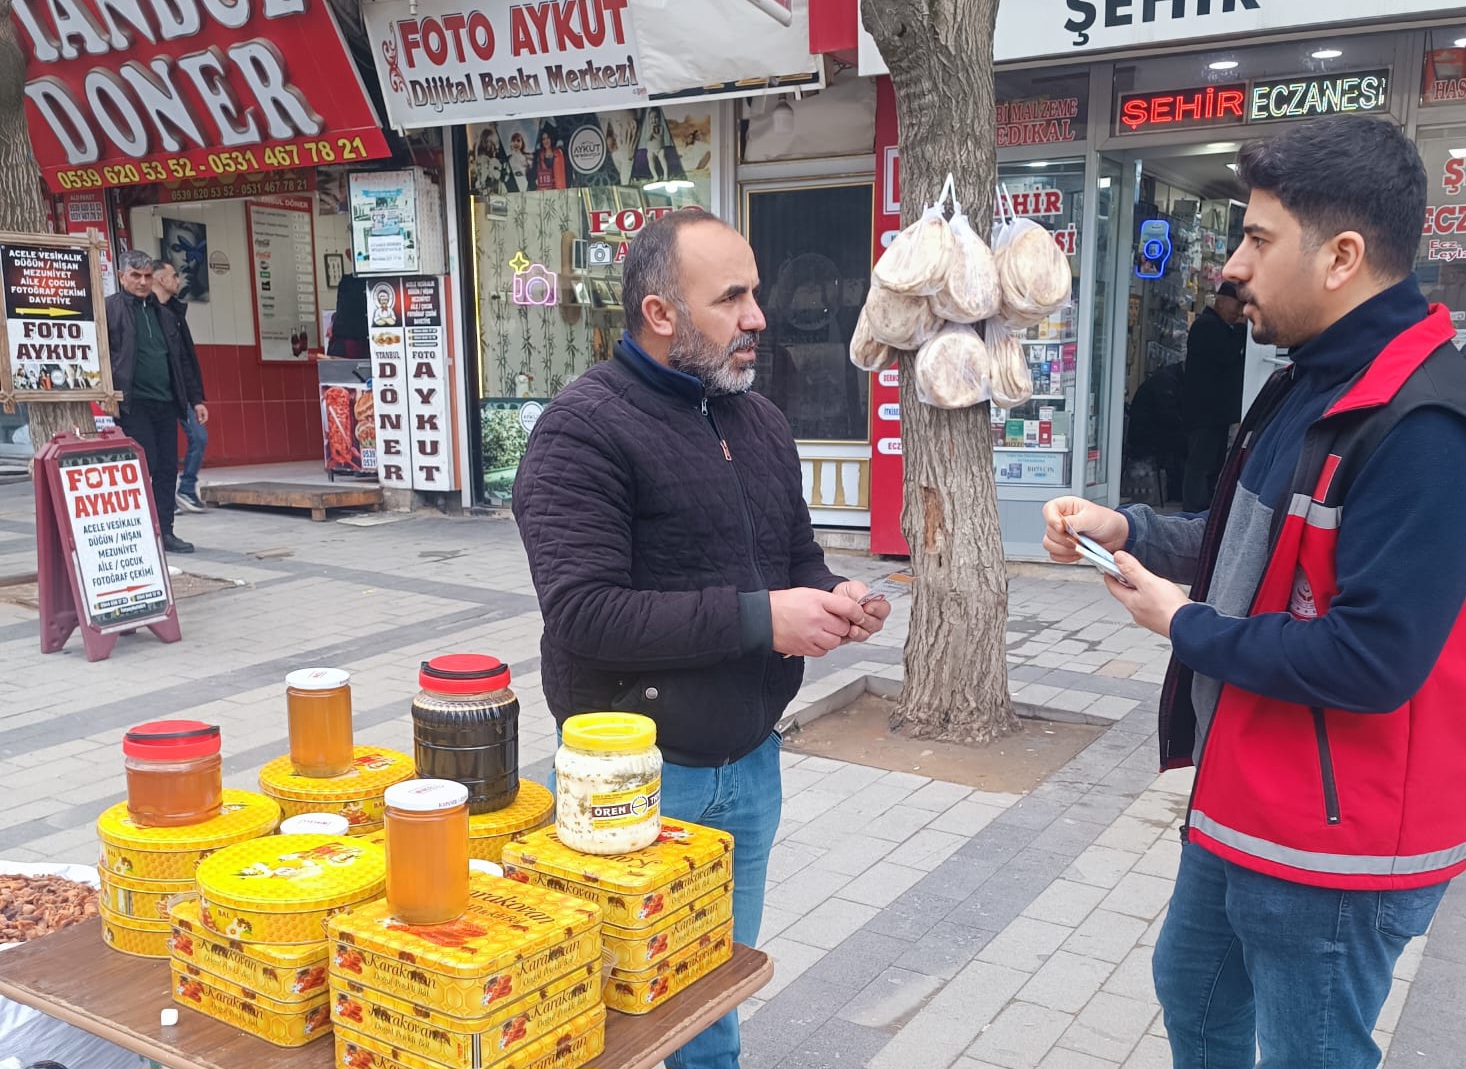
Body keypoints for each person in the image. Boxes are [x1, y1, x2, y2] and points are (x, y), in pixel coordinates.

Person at [1041, 116, 1466, 1069]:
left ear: (1342, 256)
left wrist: (1184, 625)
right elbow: (1249, 540)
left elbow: (1372, 659)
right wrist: (1128, 531)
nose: (1232, 264)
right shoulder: (1306, 381)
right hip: (1242, 790)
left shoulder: (1426, 424)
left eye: (1258, 239)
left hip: (1335, 837)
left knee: (1312, 1051)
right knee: (1190, 989)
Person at [513, 209, 890, 1069]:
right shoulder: (582, 429)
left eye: (754, 292)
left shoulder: (759, 423)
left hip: (751, 764)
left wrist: (837, 599)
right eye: (732, 297)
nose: (758, 315)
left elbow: (796, 560)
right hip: (639, 782)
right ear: (660, 314)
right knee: (622, 1012)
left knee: (711, 989)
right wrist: (767, 616)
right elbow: (583, 611)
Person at [105, 249, 207, 555]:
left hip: (166, 402)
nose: (142, 282)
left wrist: (196, 399)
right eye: (135, 276)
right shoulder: (109, 310)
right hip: (133, 403)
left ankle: (165, 532)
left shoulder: (164, 314)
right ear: (122, 276)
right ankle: (138, 531)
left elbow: (182, 361)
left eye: (147, 276)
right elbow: (102, 355)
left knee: (166, 468)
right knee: (142, 465)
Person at [1179, 280, 1247, 511]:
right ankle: (1194, 509)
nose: (1239, 312)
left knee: (1211, 462)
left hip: (1214, 411)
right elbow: (1227, 355)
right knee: (1201, 463)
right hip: (1204, 411)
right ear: (1221, 301)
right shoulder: (1207, 326)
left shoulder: (1217, 326)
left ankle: (1204, 507)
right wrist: (1240, 329)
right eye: (1236, 305)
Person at [151, 260, 209, 514]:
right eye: (174, 276)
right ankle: (161, 497)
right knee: (159, 449)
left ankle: (186, 488)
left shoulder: (176, 312)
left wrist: (196, 398)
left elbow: (186, 359)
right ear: (162, 280)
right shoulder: (145, 312)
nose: (178, 280)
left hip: (180, 391)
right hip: (154, 393)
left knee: (199, 436)